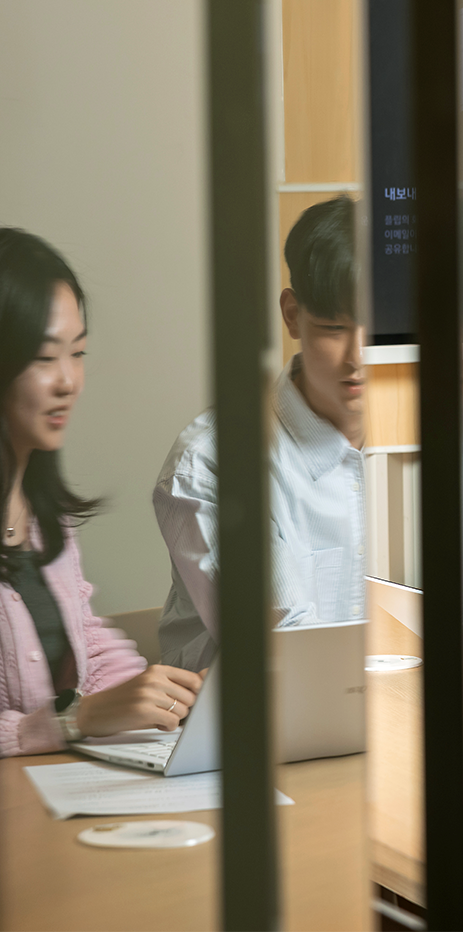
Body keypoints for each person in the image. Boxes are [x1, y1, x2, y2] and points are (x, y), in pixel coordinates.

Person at [0, 228, 204, 757]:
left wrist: (156, 695)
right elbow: (65, 714)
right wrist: (72, 719)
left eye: (79, 352)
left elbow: (85, 641)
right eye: (45, 358)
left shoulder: (43, 514)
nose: (70, 381)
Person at [155, 196, 366, 670]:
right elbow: (286, 647)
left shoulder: (413, 443)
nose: (359, 358)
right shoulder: (214, 460)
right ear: (292, 314)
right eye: (335, 328)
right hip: (240, 731)